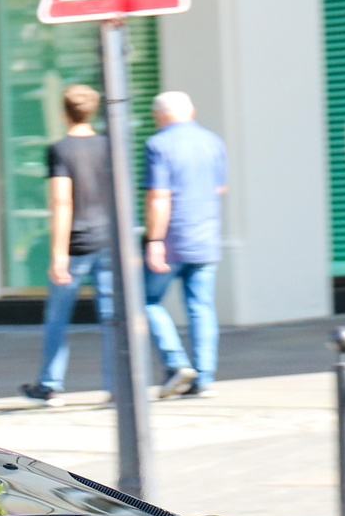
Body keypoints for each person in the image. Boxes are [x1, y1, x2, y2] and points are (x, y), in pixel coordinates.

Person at [20, 85, 122, 406]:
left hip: (76, 243)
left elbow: (62, 201)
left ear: (63, 112)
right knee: (111, 317)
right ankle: (117, 386)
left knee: (58, 316)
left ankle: (50, 385)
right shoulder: (109, 147)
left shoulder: (60, 150)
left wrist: (57, 254)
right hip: (107, 241)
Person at [142, 89, 227, 399]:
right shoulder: (213, 141)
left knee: (146, 301)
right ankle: (204, 377)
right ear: (189, 111)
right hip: (206, 236)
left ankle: (176, 363)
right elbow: (220, 187)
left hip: (172, 237)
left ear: (160, 116)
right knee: (201, 307)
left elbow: (158, 196)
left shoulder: (158, 144)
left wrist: (154, 240)